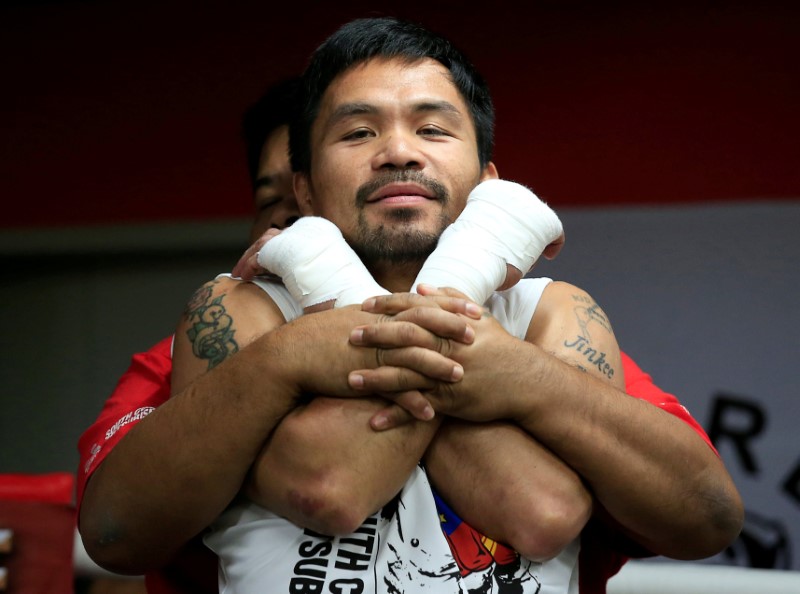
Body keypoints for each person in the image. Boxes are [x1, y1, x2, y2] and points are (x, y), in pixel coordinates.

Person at [77, 19, 742, 593]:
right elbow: (330, 484)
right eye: (358, 133)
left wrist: (516, 371)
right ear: (301, 193)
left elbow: (576, 511)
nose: (398, 151)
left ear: (488, 184)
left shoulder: (548, 313)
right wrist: (289, 356)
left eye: (431, 127)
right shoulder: (238, 310)